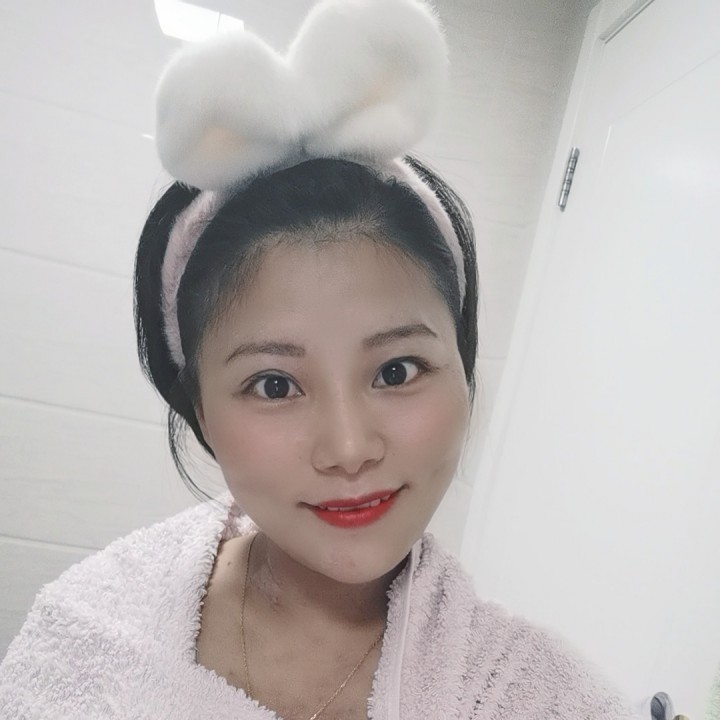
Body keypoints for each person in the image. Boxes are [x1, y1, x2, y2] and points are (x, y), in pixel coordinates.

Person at [0, 1, 638, 718]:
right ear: (198, 406)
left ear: (462, 368)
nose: (349, 448)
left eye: (397, 371)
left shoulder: (538, 696)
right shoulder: (90, 636)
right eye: (274, 384)